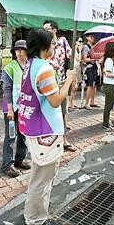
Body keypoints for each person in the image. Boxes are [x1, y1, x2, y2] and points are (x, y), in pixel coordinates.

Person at [19, 28, 77, 225]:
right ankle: (35, 218)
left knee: (39, 175)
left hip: (33, 127)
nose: (55, 47)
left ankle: (34, 213)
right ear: (45, 47)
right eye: (53, 44)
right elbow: (55, 101)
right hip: (45, 131)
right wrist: (69, 80)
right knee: (42, 179)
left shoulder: (31, 64)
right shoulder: (44, 68)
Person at [42, 21, 76, 152]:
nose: (44, 31)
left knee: (63, 112)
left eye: (47, 29)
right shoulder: (43, 44)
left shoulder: (62, 41)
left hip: (61, 83)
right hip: (46, 82)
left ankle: (64, 140)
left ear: (55, 30)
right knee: (47, 112)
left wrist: (73, 77)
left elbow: (72, 56)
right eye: (43, 29)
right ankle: (47, 141)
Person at [1, 40, 31, 178]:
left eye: (22, 50)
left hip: (24, 106)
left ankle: (20, 159)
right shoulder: (10, 67)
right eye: (16, 50)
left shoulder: (30, 66)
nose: (19, 53)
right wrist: (10, 109)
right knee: (11, 135)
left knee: (23, 134)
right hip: (11, 107)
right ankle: (7, 164)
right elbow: (6, 89)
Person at [82, 33, 99, 109]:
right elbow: (85, 59)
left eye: (93, 36)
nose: (93, 38)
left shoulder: (94, 47)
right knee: (90, 85)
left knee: (94, 85)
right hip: (89, 67)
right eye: (91, 36)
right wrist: (94, 59)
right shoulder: (85, 47)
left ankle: (92, 102)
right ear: (87, 37)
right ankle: (86, 103)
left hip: (95, 66)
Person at [71, 37, 83, 110]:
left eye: (81, 41)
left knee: (76, 86)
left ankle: (73, 103)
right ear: (76, 42)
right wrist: (81, 50)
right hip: (75, 68)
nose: (81, 43)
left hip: (77, 67)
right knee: (74, 87)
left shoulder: (77, 50)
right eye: (79, 41)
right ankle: (71, 104)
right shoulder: (74, 50)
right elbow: (79, 59)